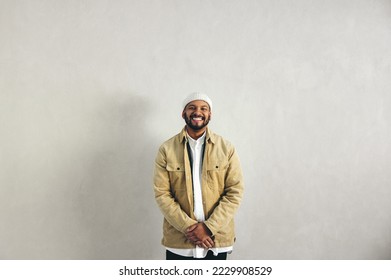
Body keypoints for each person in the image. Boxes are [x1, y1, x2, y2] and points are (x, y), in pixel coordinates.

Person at [153, 92, 244, 260]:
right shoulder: (166, 149)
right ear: (183, 113)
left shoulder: (226, 148)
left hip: (216, 241)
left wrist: (208, 228)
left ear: (210, 114)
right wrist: (190, 228)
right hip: (180, 243)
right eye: (192, 108)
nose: (198, 112)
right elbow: (162, 194)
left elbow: (234, 192)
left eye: (204, 108)